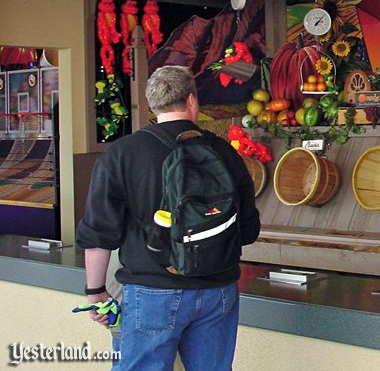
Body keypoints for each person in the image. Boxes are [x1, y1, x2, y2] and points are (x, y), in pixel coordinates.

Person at [77, 65, 260, 370]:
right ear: (192, 100)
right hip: (218, 291)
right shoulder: (225, 152)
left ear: (153, 103)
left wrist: (95, 291)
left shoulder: (122, 153)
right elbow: (248, 230)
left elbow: (99, 232)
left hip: (153, 290)